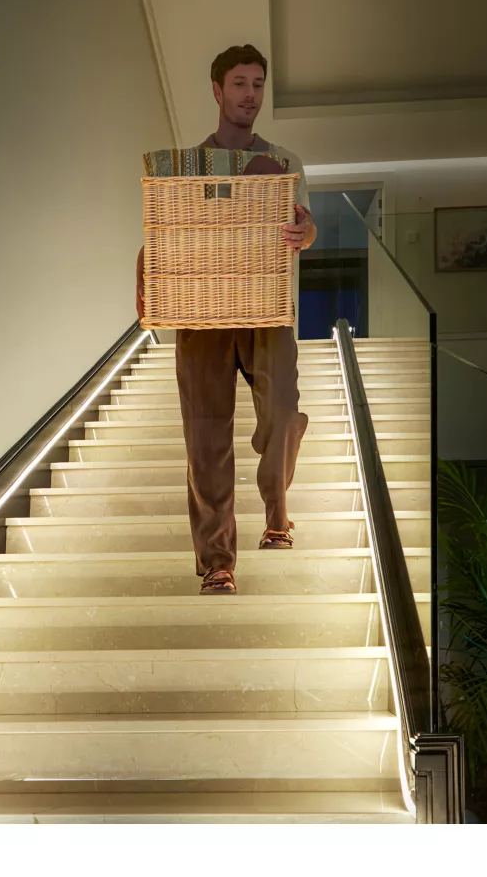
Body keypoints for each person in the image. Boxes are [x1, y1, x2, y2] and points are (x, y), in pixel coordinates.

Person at [136, 44, 317, 596]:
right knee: (205, 437)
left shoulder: (284, 162)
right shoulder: (187, 169)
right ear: (217, 90)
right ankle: (217, 562)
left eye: (258, 84)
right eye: (240, 83)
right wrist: (146, 275)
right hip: (200, 315)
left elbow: (303, 223)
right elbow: (166, 230)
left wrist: (306, 233)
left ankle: (276, 511)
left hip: (268, 309)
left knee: (282, 414)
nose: (250, 94)